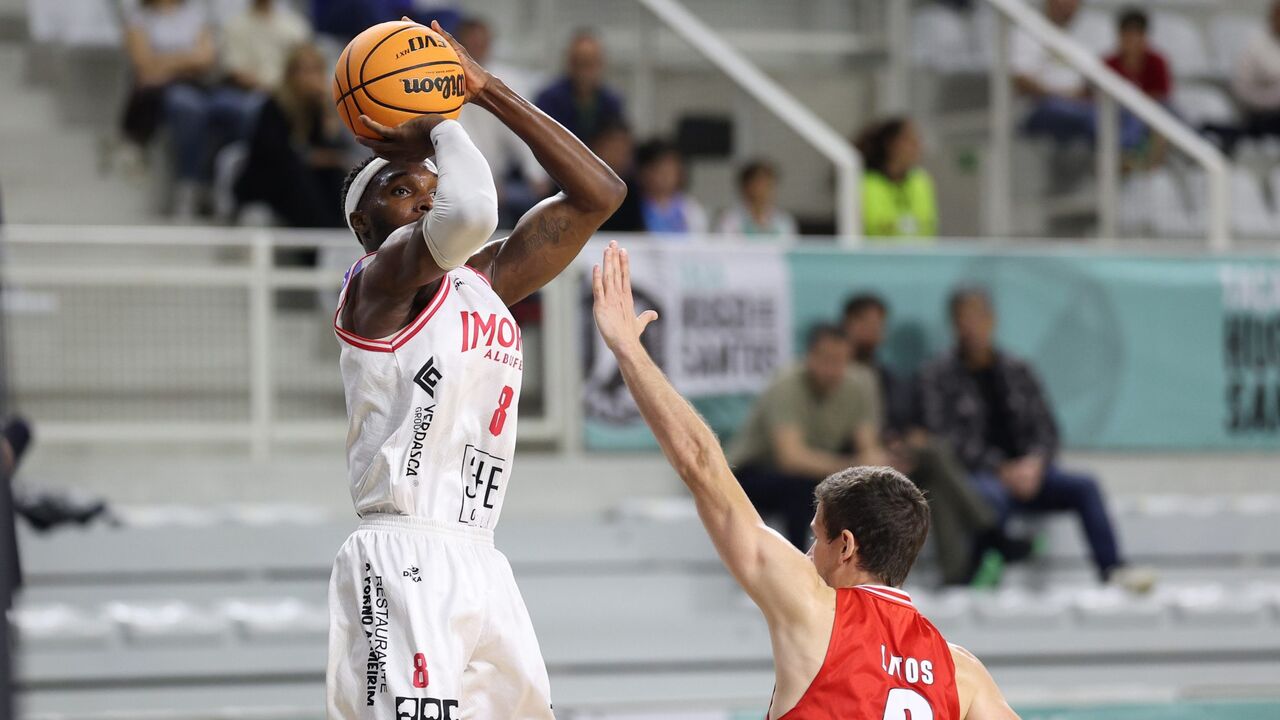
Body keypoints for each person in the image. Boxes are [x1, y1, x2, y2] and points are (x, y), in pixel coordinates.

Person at [327, 20, 625, 719]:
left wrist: (489, 90)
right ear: (365, 226)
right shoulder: (377, 283)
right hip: (404, 549)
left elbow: (599, 193)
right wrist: (441, 121)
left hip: (481, 554)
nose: (425, 196)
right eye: (401, 190)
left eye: (431, 184)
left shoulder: (480, 281)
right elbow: (473, 210)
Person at [591, 242, 1021, 720]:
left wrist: (628, 350)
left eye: (816, 537)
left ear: (846, 546)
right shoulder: (962, 673)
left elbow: (701, 464)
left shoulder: (813, 610)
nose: (808, 553)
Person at [917, 287, 1155, 592]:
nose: (971, 326)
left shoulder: (1017, 369)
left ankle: (1112, 569)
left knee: (1086, 486)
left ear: (991, 320)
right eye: (963, 319)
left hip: (1031, 472)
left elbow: (1047, 430)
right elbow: (945, 438)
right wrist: (1001, 468)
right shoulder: (938, 375)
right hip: (983, 474)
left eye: (977, 317)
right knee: (986, 498)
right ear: (953, 325)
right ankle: (982, 576)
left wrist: (1035, 464)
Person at [843, 294, 1002, 585]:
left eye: (878, 325)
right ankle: (989, 529)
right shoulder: (840, 375)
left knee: (933, 474)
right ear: (848, 324)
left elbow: (902, 421)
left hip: (894, 457)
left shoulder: (887, 377)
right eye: (865, 323)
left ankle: (956, 574)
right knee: (937, 454)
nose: (873, 331)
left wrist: (903, 440)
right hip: (854, 463)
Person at [728, 325, 885, 549]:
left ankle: (864, 562)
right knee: (803, 491)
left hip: (820, 470)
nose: (833, 368)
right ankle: (800, 562)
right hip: (754, 470)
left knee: (865, 490)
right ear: (810, 357)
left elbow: (868, 448)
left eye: (840, 360)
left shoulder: (860, 384)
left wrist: (871, 464)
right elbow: (790, 458)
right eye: (826, 359)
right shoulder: (786, 385)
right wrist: (852, 465)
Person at [121, 0, 256, 218]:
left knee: (240, 108)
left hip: (203, 86)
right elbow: (145, 67)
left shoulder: (195, 14)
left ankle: (231, 184)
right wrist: (186, 60)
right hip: (165, 92)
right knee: (188, 108)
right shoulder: (139, 18)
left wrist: (165, 61)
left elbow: (207, 58)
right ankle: (189, 184)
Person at [234, 43, 352, 228]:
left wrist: (327, 111)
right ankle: (320, 232)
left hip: (306, 176)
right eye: (306, 71)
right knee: (298, 176)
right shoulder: (274, 105)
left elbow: (330, 146)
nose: (312, 78)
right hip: (270, 178)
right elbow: (273, 153)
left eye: (317, 71)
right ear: (291, 74)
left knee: (336, 175)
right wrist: (313, 157)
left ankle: (340, 229)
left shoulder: (318, 107)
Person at [454, 17, 551, 227]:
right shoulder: (447, 80)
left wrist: (535, 173)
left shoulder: (504, 79)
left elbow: (521, 126)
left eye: (482, 43)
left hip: (500, 182)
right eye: (472, 43)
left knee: (540, 200)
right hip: (457, 182)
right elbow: (456, 138)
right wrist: (481, 183)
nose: (478, 49)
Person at [1013, 0, 1143, 149]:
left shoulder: (1081, 34)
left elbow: (1094, 80)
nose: (1071, 4)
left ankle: (1124, 151)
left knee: (1129, 112)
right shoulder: (1028, 28)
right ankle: (1120, 152)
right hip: (1041, 108)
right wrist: (1064, 95)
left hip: (1078, 106)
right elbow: (1021, 80)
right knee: (1095, 118)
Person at [534, 29, 625, 141]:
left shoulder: (611, 103)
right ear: (570, 63)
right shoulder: (549, 100)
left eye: (590, 63)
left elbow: (617, 142)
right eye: (579, 62)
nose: (584, 71)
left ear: (600, 63)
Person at [855, 118, 938, 239]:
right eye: (908, 140)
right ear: (890, 144)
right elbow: (874, 228)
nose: (916, 146)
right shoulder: (865, 184)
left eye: (917, 140)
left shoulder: (921, 181)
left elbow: (928, 227)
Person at [222, 0, 313, 93]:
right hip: (250, 92)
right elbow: (235, 71)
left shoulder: (295, 26)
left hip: (291, 92)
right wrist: (270, 89)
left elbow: (307, 63)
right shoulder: (235, 26)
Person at [635, 139, 708, 236]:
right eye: (660, 169)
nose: (666, 176)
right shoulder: (633, 207)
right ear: (644, 172)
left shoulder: (691, 210)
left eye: (671, 169)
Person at [714, 160, 798, 240]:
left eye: (768, 183)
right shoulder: (730, 219)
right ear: (745, 186)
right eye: (758, 183)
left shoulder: (784, 221)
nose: (764, 189)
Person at [1232, 0, 1280, 137]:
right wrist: (1273, 99)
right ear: (1274, 15)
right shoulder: (1254, 45)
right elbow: (1242, 91)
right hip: (1263, 116)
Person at [589, 120, 645, 232]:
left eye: (625, 150)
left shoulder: (634, 192)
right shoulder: (571, 186)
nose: (620, 157)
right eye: (614, 148)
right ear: (595, 147)